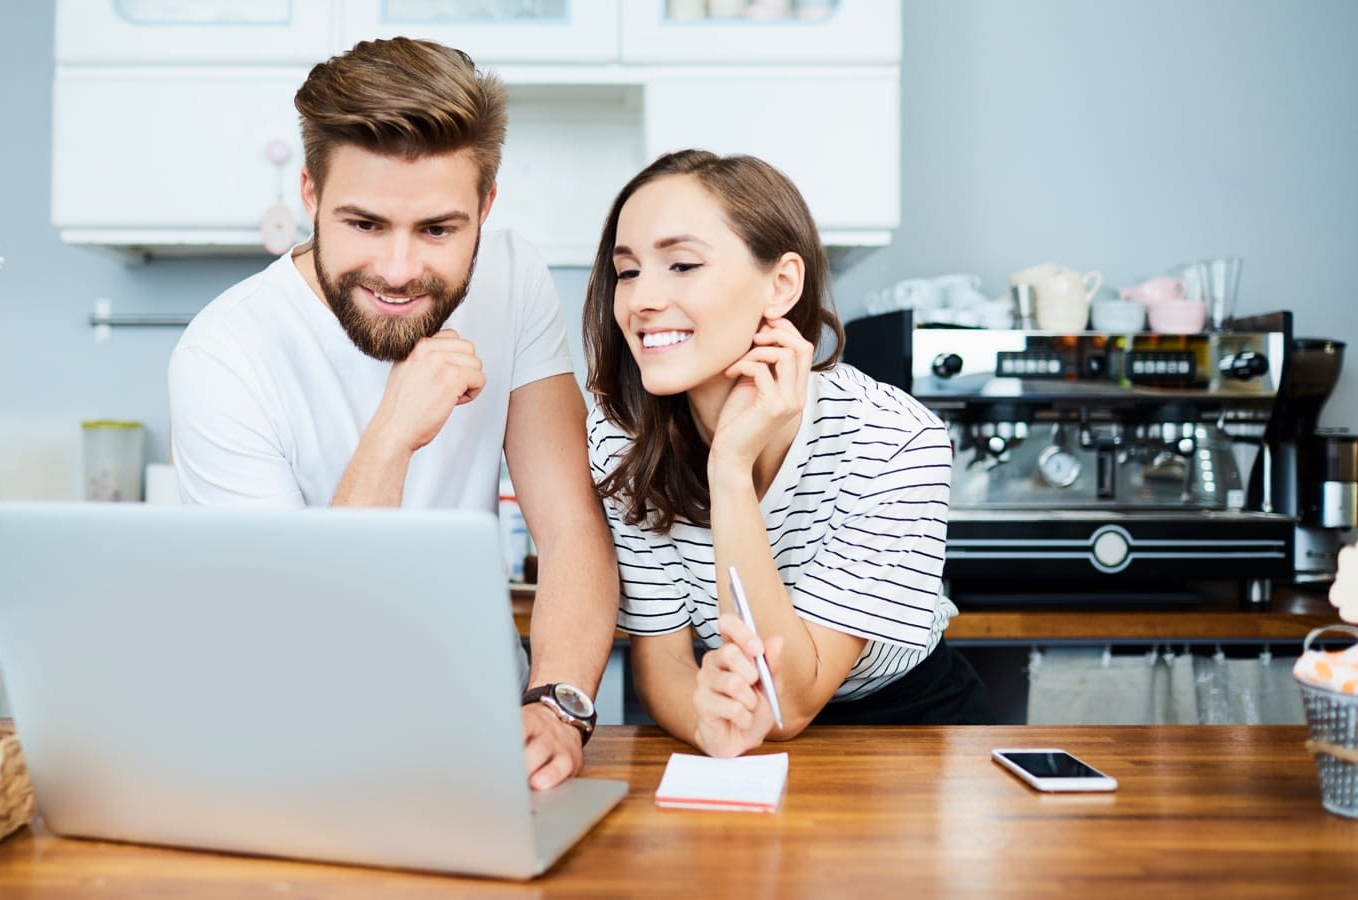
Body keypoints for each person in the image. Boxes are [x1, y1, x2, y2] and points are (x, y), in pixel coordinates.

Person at [168, 38, 618, 790]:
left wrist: (557, 705)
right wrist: (392, 432)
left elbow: (571, 525)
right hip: (299, 741)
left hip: (484, 726)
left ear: (486, 206)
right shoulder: (224, 353)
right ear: (310, 197)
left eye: (439, 230)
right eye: (366, 224)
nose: (401, 271)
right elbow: (302, 641)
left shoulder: (512, 277)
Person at [582, 150, 993, 758]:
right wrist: (703, 718)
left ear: (781, 284)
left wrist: (729, 470)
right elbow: (663, 656)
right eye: (629, 271)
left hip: (909, 730)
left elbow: (788, 702)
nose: (641, 299)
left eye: (682, 264)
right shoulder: (622, 438)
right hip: (733, 724)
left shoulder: (894, 440)